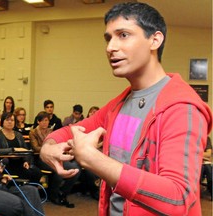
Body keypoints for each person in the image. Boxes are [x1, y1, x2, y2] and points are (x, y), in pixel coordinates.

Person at [40, 2, 213, 216]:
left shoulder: (182, 108)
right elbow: (70, 131)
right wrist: (47, 146)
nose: (110, 47)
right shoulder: (120, 103)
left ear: (155, 40)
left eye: (123, 35)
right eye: (108, 38)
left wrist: (93, 159)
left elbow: (178, 198)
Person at [30, 111, 80, 208]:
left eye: (47, 120)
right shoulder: (33, 132)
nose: (45, 123)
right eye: (43, 121)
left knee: (75, 168)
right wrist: (48, 149)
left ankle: (63, 192)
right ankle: (53, 195)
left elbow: (58, 144)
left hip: (56, 156)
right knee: (58, 169)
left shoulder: (51, 131)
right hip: (41, 158)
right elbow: (35, 147)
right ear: (38, 121)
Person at [0, 112, 42, 183]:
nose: (10, 122)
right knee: (28, 174)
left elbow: (26, 150)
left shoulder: (18, 135)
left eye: (12, 120)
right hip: (6, 165)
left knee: (37, 172)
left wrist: (26, 161)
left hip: (20, 163)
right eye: (7, 120)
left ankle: (30, 190)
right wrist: (13, 149)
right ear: (2, 121)